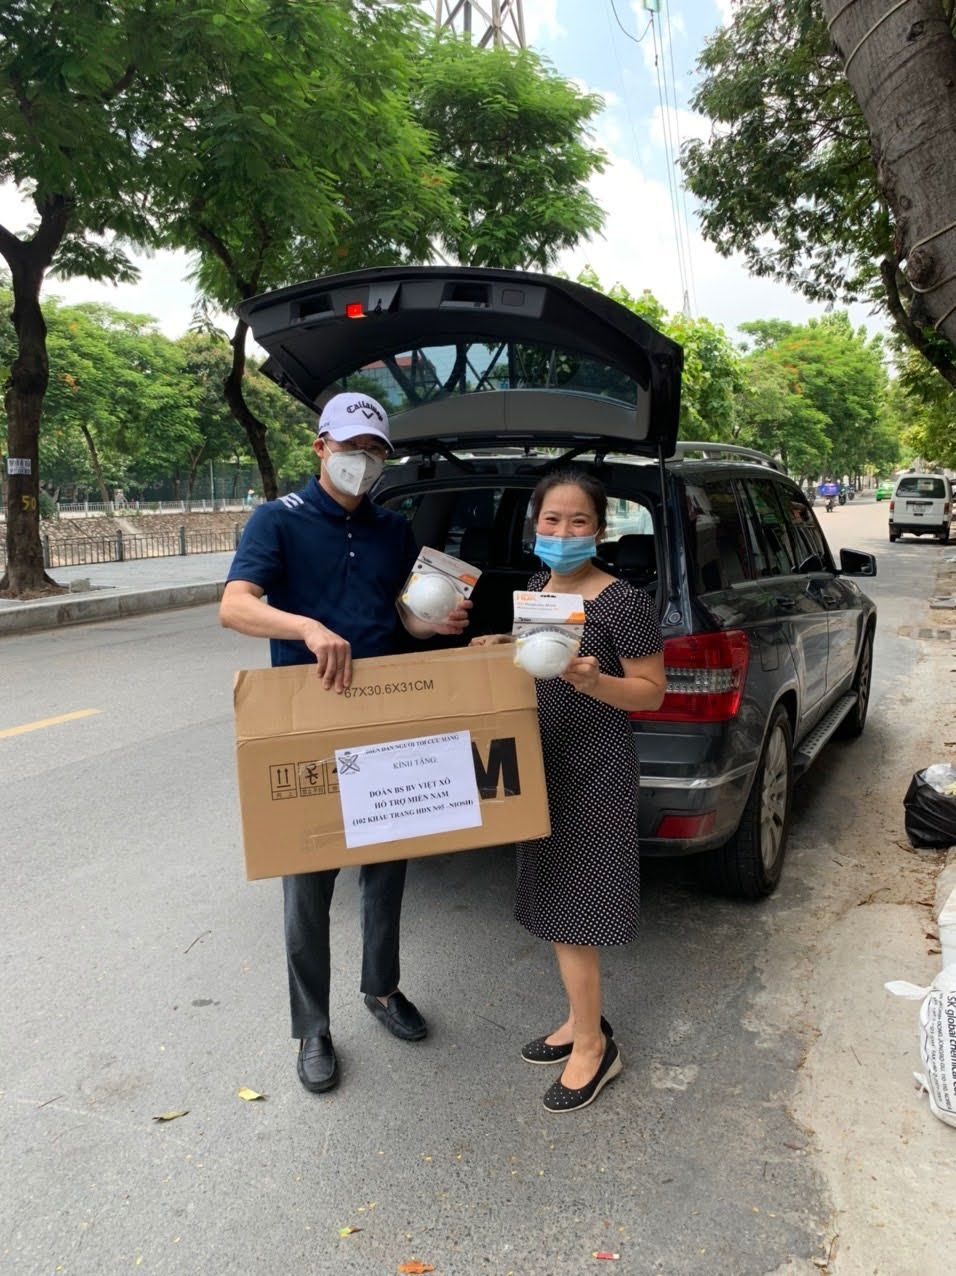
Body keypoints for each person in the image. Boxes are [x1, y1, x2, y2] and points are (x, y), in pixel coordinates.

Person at [219, 391, 470, 1095]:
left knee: (387, 865)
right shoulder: (278, 519)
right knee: (308, 880)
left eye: (375, 451)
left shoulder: (393, 530)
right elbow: (235, 605)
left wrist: (434, 624)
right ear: (321, 447)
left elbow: (404, 619)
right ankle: (313, 1027)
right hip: (307, 720)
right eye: (351, 447)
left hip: (386, 718)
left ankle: (381, 989)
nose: (362, 461)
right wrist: (305, 627)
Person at [472, 470, 666, 1112]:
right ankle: (583, 1019)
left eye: (578, 521)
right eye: (551, 520)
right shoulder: (538, 589)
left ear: (599, 530)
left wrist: (595, 682)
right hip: (540, 761)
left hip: (593, 771)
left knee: (575, 910)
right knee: (552, 897)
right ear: (535, 526)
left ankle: (594, 1048)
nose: (563, 532)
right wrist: (503, 644)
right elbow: (537, 658)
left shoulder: (621, 602)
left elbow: (652, 692)